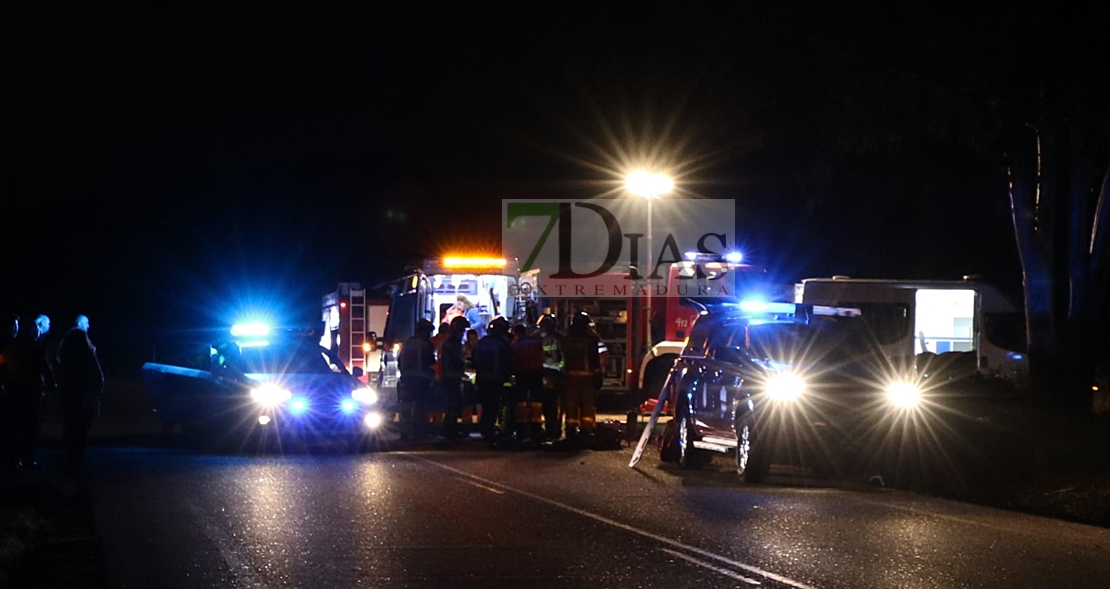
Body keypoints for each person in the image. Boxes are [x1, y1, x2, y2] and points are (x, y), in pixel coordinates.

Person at [1, 314, 55, 469]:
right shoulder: (37, 350)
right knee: (30, 427)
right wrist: (52, 384)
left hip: (15, 391)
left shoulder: (13, 348)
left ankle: (14, 458)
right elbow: (45, 369)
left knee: (16, 425)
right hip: (32, 392)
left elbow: (4, 366)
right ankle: (27, 458)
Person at [57, 314, 104, 474]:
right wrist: (96, 397)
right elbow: (98, 377)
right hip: (85, 398)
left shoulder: (66, 358)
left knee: (70, 428)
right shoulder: (87, 357)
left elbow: (61, 378)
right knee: (82, 431)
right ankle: (76, 462)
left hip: (70, 398)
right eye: (86, 324)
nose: (89, 326)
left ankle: (70, 461)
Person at [561, 312, 602, 445]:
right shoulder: (591, 340)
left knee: (570, 406)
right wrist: (598, 377)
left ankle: (570, 431)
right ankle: (586, 431)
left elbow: (562, 358)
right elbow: (594, 361)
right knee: (587, 407)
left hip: (569, 378)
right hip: (586, 379)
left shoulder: (566, 339)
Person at [470, 316, 514, 443]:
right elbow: (509, 362)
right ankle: (489, 431)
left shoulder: (481, 342)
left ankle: (485, 429)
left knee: (486, 406)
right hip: (496, 380)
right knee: (493, 407)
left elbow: (474, 361)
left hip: (482, 380)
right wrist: (507, 374)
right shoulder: (503, 344)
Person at [397, 319, 436, 439]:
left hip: (406, 379)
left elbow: (400, 361)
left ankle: (405, 431)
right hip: (421, 379)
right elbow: (430, 360)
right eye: (428, 332)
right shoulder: (425, 344)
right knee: (420, 406)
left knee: (406, 405)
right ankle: (420, 432)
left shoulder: (407, 343)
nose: (429, 335)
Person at [511, 323, 545, 443]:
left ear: (516, 333)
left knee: (522, 401)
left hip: (522, 374)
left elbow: (513, 361)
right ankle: (536, 426)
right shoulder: (535, 342)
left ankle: (522, 427)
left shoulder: (515, 345)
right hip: (537, 373)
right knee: (536, 400)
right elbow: (543, 356)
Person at [437, 317, 469, 438]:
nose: (463, 333)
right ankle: (450, 430)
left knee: (454, 404)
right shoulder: (453, 343)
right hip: (452, 377)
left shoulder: (451, 342)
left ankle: (451, 429)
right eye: (462, 330)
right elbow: (457, 360)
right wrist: (464, 364)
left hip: (450, 376)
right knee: (453, 404)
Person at [538, 314, 565, 441]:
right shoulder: (558, 338)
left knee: (550, 404)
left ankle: (551, 430)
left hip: (550, 373)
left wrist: (560, 369)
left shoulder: (540, 338)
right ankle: (552, 430)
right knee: (551, 404)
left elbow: (562, 357)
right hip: (552, 373)